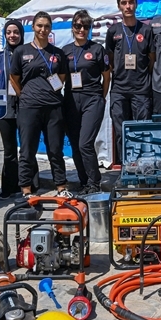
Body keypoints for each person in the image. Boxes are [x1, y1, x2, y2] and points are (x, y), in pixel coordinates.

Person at [10, 12, 71, 199]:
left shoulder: (57, 53)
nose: (43, 30)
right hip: (29, 108)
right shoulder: (21, 51)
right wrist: (26, 96)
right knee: (28, 150)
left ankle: (61, 186)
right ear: (33, 27)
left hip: (53, 107)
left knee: (55, 150)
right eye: (39, 26)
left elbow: (61, 78)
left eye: (46, 26)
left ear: (50, 29)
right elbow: (14, 78)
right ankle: (26, 189)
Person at [104, 0, 154, 167]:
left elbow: (151, 59)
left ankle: (143, 167)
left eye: (131, 2)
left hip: (141, 89)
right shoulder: (113, 31)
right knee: (121, 131)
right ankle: (126, 168)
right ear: (119, 6)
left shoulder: (146, 30)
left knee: (141, 130)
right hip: (119, 89)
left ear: (136, 4)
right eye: (124, 3)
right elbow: (109, 58)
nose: (128, 6)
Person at [63, 10, 110, 194]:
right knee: (75, 144)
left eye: (85, 26)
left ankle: (94, 181)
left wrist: (101, 97)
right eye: (77, 26)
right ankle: (84, 182)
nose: (81, 29)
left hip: (92, 98)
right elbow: (60, 76)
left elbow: (107, 76)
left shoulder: (97, 49)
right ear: (72, 27)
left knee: (85, 143)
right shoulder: (65, 51)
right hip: (71, 100)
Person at [0, 19, 24, 197]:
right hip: (4, 111)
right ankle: (9, 187)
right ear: (5, 35)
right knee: (9, 150)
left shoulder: (28, 54)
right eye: (9, 32)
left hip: (24, 108)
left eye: (16, 32)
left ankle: (27, 186)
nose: (12, 35)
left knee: (26, 149)